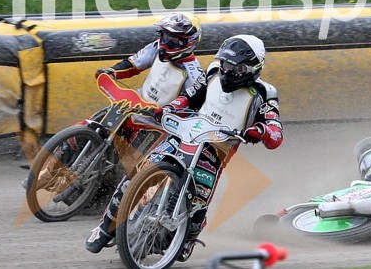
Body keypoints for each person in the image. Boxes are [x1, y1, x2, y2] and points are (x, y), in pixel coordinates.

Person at [85, 34, 283, 261]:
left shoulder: (265, 93)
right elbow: (189, 97)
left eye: (236, 69)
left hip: (215, 151)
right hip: (184, 134)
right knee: (135, 176)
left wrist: (259, 131)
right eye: (226, 65)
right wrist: (170, 108)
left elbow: (275, 132)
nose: (228, 72)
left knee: (198, 207)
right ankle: (103, 228)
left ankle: (186, 238)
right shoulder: (213, 72)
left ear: (253, 68)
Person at [34, 13, 204, 203]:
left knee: (136, 166)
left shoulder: (195, 74)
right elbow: (132, 64)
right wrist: (111, 71)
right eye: (163, 36)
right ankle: (48, 171)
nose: (165, 42)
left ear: (188, 42)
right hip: (133, 105)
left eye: (172, 40)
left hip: (157, 123)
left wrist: (168, 110)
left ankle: (113, 195)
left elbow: (188, 101)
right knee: (89, 126)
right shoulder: (156, 48)